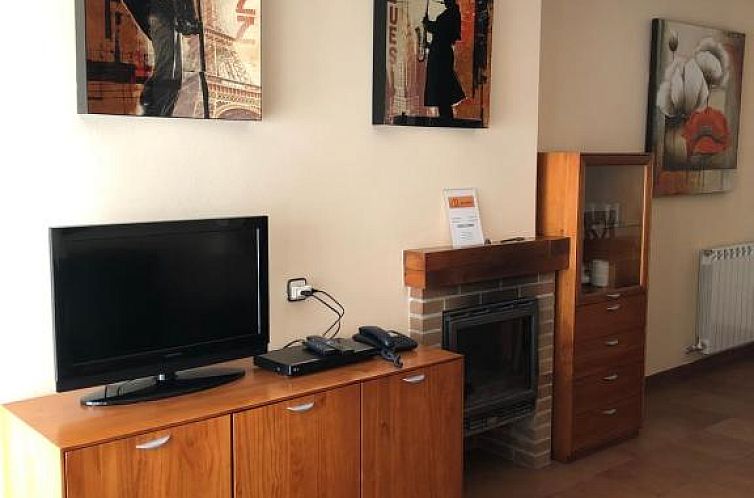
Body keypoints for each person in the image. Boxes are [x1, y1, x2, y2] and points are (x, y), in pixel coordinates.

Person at [122, 0, 201, 117]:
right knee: (169, 73)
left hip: (162, 14)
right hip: (162, 13)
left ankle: (156, 113)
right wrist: (189, 18)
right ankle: (154, 114)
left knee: (172, 75)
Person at [423, 0, 466, 120]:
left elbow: (440, 30)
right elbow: (441, 34)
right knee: (441, 86)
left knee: (441, 86)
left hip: (441, 55)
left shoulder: (451, 13)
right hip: (441, 53)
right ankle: (445, 116)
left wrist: (428, 24)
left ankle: (445, 117)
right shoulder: (452, 13)